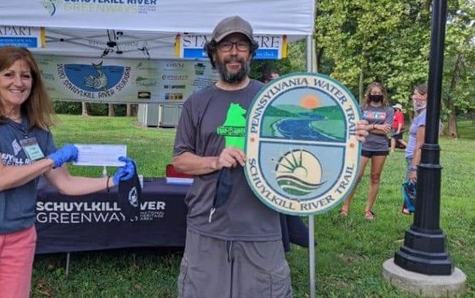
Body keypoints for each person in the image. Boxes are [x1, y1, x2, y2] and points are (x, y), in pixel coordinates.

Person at [172, 16, 368, 298]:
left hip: (262, 226)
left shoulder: (274, 100)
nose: (234, 52)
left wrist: (349, 132)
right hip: (207, 226)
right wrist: (215, 161)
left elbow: (307, 137)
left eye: (241, 45)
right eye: (226, 45)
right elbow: (181, 159)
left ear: (251, 53)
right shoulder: (197, 103)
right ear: (214, 53)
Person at [0, 46, 136, 298]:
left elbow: (66, 184)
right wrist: (51, 160)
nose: (18, 82)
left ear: (33, 82)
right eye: (9, 75)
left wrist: (112, 180)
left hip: (19, 240)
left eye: (26, 76)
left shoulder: (38, 132)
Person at [340, 82, 393, 220]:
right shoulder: (362, 108)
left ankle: (368, 210)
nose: (376, 95)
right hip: (363, 145)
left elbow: (386, 130)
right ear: (369, 93)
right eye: (373, 93)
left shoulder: (388, 110)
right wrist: (376, 126)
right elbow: (358, 127)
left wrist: (368, 127)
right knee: (357, 176)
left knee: (375, 177)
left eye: (378, 93)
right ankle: (345, 207)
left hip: (380, 147)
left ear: (383, 93)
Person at [401, 83, 427, 215]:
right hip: (411, 156)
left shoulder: (424, 115)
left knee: (412, 191)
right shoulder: (421, 114)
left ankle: (417, 218)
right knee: (411, 191)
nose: (414, 98)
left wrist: (413, 168)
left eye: (417, 95)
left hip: (414, 158)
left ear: (425, 96)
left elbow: (420, 144)